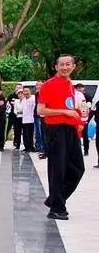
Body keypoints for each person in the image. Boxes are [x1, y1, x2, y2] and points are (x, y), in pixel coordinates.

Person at [38, 55, 85, 221]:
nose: (65, 67)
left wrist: (78, 121)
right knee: (58, 169)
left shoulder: (70, 85)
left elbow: (73, 107)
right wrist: (63, 112)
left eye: (68, 64)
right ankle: (57, 208)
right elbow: (41, 110)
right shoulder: (49, 85)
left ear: (73, 66)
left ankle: (54, 199)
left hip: (71, 130)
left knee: (77, 168)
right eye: (62, 65)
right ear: (56, 66)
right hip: (56, 130)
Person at [20, 87, 36, 152]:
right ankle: (26, 147)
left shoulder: (33, 98)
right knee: (25, 134)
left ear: (30, 91)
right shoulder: (23, 100)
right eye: (24, 91)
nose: (26, 92)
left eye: (27, 91)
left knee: (30, 134)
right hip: (24, 119)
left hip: (31, 119)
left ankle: (31, 147)